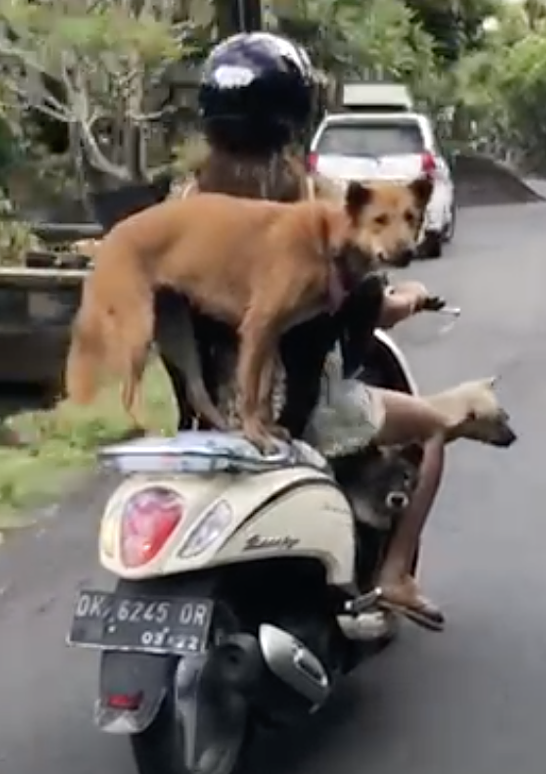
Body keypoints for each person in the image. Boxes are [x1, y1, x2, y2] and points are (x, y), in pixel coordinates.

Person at [174, 31, 471, 630]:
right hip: (302, 407)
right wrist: (407, 300)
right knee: (437, 427)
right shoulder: (313, 211)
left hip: (202, 413)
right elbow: (367, 304)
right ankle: (394, 576)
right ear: (297, 114)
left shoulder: (182, 203)